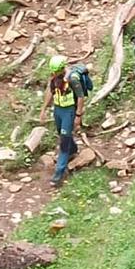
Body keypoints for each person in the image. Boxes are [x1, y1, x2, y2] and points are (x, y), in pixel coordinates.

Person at [37, 55, 85, 187]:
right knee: (63, 134)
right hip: (58, 110)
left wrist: (78, 115)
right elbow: (50, 92)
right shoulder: (54, 77)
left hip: (68, 111)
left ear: (62, 69)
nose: (54, 73)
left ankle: (59, 173)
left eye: (56, 71)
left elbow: (80, 97)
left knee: (63, 142)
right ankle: (73, 149)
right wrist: (43, 109)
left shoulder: (72, 80)